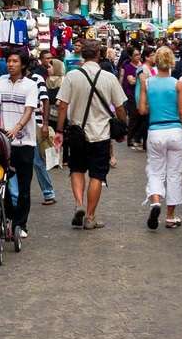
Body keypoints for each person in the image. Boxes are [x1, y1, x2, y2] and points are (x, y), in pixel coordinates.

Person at [56, 40, 128, 231]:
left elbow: (62, 105)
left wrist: (59, 130)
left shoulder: (71, 76)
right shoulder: (109, 77)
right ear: (98, 55)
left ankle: (78, 203)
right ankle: (90, 216)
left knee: (77, 169)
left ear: (82, 55)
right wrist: (124, 124)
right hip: (101, 135)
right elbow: (120, 107)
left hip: (77, 133)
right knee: (97, 175)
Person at [0, 51, 38, 239]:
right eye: (9, 61)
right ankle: (8, 216)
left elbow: (29, 110)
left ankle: (21, 224)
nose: (10, 64)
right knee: (0, 182)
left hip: (25, 142)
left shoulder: (31, 85)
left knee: (24, 187)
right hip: (5, 143)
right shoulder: (2, 81)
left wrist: (17, 127)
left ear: (23, 65)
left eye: (15, 61)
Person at [139, 46, 182, 230]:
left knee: (155, 170)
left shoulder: (148, 83)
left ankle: (155, 201)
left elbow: (142, 110)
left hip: (155, 131)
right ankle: (170, 216)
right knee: (174, 173)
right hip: (175, 131)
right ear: (172, 62)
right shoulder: (178, 84)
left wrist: (143, 88)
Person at [10, 57, 56, 206]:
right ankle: (16, 196)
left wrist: (45, 124)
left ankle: (48, 191)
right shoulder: (10, 81)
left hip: (33, 125)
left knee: (36, 160)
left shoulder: (36, 79)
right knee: (15, 162)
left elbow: (45, 100)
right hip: (14, 126)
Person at [122, 48, 142, 149]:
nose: (138, 56)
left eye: (139, 54)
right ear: (130, 57)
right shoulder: (128, 67)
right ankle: (130, 139)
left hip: (140, 94)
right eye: (136, 55)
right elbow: (131, 81)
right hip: (131, 95)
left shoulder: (141, 66)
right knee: (133, 117)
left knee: (140, 117)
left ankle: (137, 138)